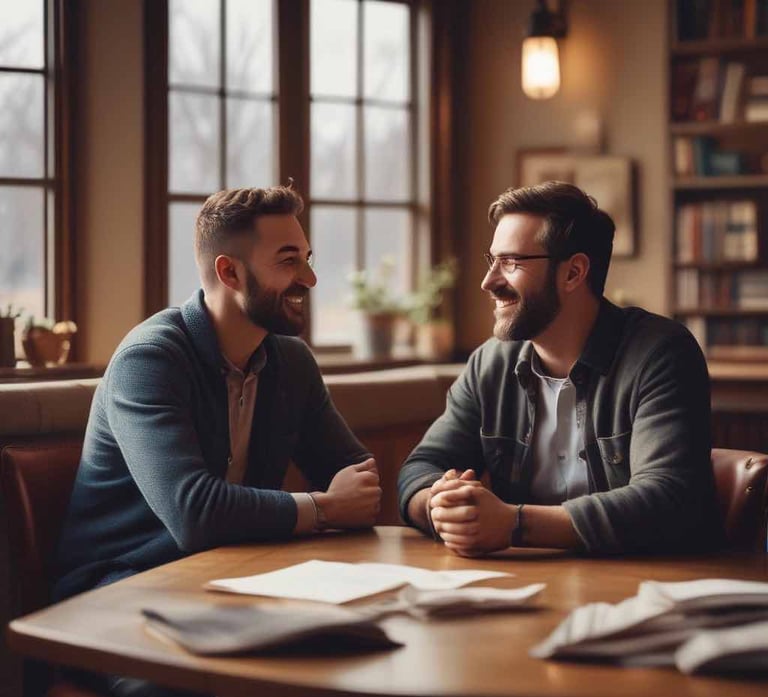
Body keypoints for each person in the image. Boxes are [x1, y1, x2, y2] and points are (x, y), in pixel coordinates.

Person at [55, 185, 381, 697]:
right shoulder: (150, 359)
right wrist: (322, 508)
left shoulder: (291, 362)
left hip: (235, 582)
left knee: (358, 652)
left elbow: (355, 477)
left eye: (307, 258)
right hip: (122, 586)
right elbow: (194, 514)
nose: (310, 279)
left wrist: (342, 502)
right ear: (229, 273)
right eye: (289, 260)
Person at [397, 181, 721, 557]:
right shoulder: (490, 363)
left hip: (655, 583)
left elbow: (666, 498)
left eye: (511, 262)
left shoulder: (660, 353)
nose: (489, 282)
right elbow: (421, 467)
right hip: (529, 586)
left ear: (573, 273)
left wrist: (514, 523)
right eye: (492, 261)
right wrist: (440, 505)